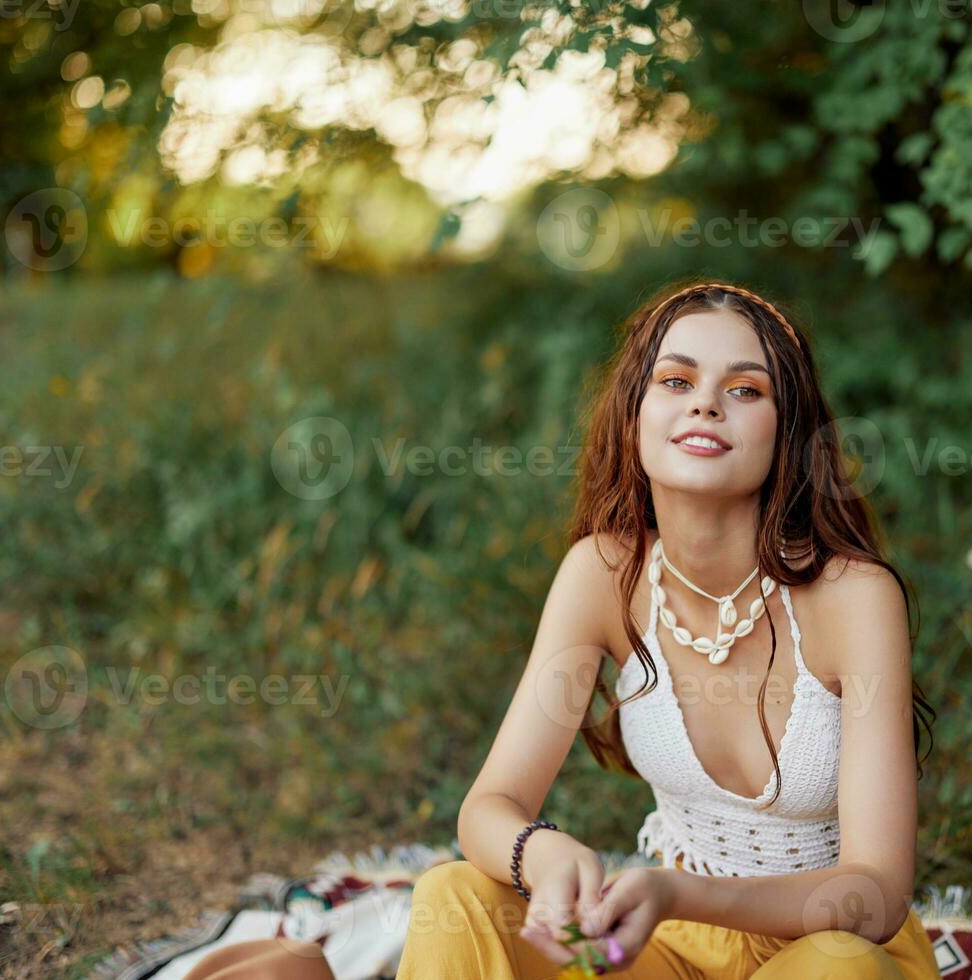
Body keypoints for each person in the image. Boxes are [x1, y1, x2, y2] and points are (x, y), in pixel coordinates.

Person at [394, 279, 940, 979]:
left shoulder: (853, 599)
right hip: (672, 950)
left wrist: (679, 891)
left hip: (826, 948)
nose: (706, 402)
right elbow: (489, 808)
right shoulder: (603, 574)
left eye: (746, 390)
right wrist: (544, 852)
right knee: (457, 895)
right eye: (676, 379)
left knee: (844, 971)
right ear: (634, 415)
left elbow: (877, 894)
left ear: (789, 432)